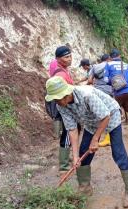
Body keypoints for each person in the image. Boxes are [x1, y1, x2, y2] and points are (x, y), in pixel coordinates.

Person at [45, 76, 128, 208]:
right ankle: (85, 187)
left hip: (110, 116)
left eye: (57, 99)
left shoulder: (86, 95)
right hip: (91, 122)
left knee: (118, 153)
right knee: (83, 155)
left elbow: (105, 116)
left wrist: (95, 139)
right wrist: (75, 156)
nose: (56, 102)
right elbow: (72, 130)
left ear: (66, 94)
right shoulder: (61, 106)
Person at [47, 46, 75, 178]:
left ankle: (65, 159)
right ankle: (63, 166)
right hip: (63, 104)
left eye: (70, 56)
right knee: (69, 132)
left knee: (67, 131)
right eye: (66, 57)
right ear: (58, 59)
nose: (69, 59)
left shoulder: (58, 67)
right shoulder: (61, 74)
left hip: (60, 102)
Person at [88, 54, 113, 147]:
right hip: (110, 91)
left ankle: (97, 134)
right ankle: (108, 136)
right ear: (109, 59)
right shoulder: (111, 65)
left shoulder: (95, 67)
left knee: (100, 113)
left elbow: (90, 80)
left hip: (97, 92)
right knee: (109, 113)